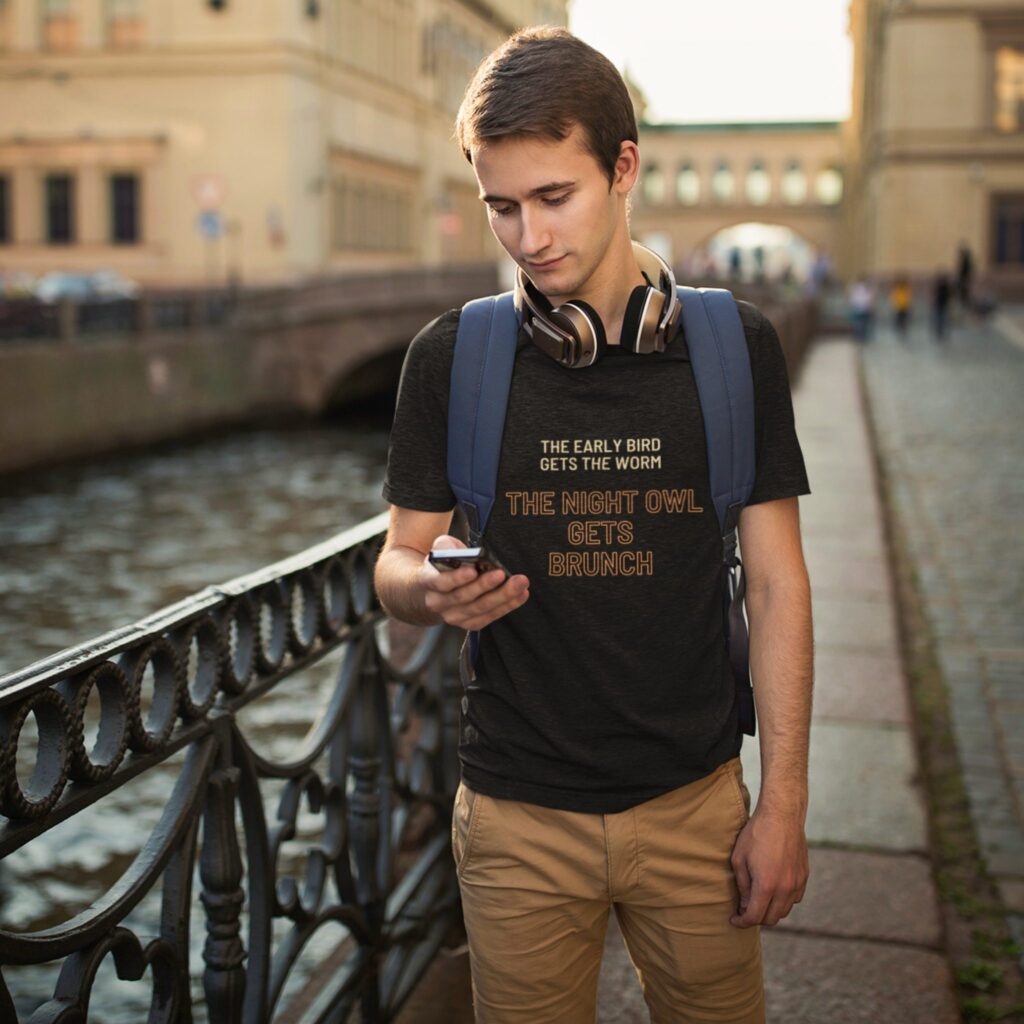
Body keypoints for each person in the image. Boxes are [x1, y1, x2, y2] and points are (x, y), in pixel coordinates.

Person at [374, 27, 812, 1024]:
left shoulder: (734, 348)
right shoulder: (449, 361)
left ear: (624, 169)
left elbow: (780, 584)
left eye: (553, 198)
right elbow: (394, 559)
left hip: (697, 805)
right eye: (501, 207)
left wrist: (780, 804)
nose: (529, 239)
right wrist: (428, 585)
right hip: (516, 818)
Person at [933, 270, 952, 340]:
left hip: (943, 305)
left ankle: (942, 333)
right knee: (939, 320)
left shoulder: (946, 287)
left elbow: (949, 296)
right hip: (939, 305)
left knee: (943, 320)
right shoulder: (940, 287)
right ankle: (939, 333)